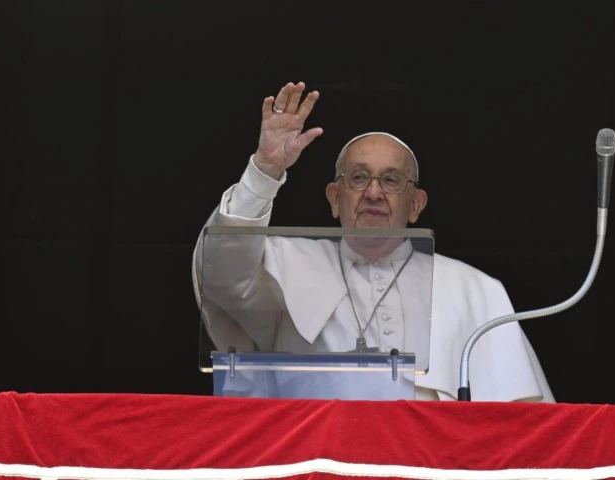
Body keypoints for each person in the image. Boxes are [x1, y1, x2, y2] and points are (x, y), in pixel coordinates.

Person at [193, 81, 554, 402]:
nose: (374, 193)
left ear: (416, 205)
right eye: (358, 178)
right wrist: (265, 170)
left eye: (392, 180)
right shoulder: (283, 262)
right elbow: (221, 275)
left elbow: (521, 417)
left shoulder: (475, 288)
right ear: (334, 199)